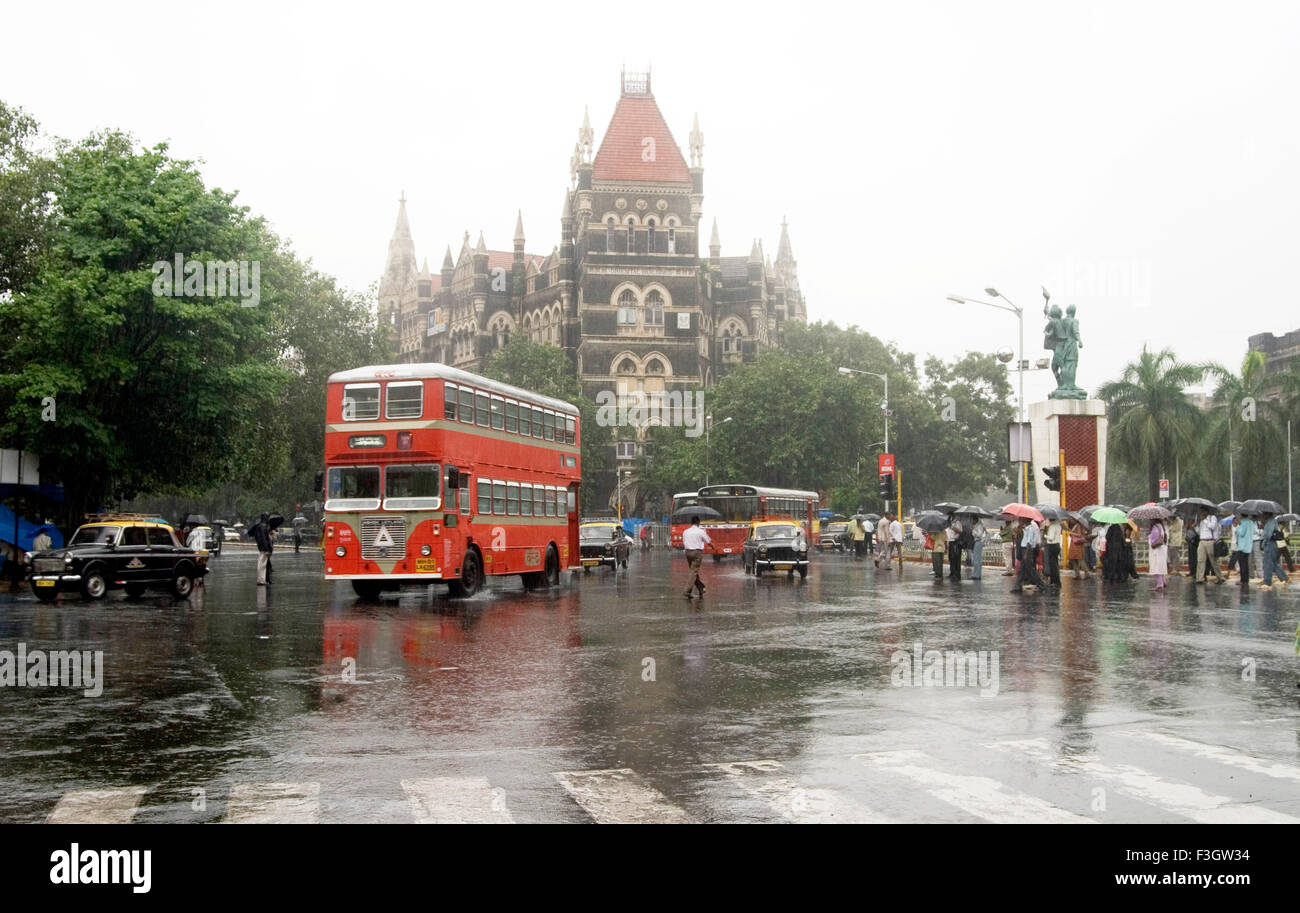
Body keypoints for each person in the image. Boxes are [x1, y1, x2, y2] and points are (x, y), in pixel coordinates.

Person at [1010, 518, 1049, 593]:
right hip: (1025, 549)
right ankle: (1017, 586)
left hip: (1027, 549)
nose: (1021, 521)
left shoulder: (1030, 529)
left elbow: (1029, 542)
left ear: (1027, 520)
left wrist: (1026, 553)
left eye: (1022, 520)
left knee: (1031, 570)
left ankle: (1042, 585)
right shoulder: (1026, 528)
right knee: (1022, 570)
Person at [681, 515, 711, 599]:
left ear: (691, 523)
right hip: (697, 553)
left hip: (687, 553)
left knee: (694, 571)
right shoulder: (700, 531)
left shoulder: (686, 531)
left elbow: (684, 542)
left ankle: (701, 588)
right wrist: (713, 546)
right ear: (698, 522)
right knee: (693, 572)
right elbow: (708, 541)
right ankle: (687, 590)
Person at [1259, 511, 1289, 590]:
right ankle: (1285, 578)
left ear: (1267, 514)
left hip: (1270, 544)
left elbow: (1268, 535)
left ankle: (1267, 582)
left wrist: (1263, 541)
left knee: (1268, 564)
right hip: (1271, 544)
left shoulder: (1271, 522)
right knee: (1274, 563)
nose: (1262, 515)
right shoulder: (1270, 521)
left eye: (1264, 514)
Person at [1195, 508, 1225, 584]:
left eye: (1203, 511)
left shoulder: (1212, 518)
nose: (1201, 513)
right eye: (1201, 511)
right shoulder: (1201, 521)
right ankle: (1200, 578)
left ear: (1206, 511)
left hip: (1210, 541)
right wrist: (1196, 526)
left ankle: (1220, 577)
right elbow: (1199, 532)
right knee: (1200, 560)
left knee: (1214, 561)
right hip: (1202, 541)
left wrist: (1205, 520)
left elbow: (1212, 527)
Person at [1232, 513, 1257, 588]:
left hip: (1242, 546)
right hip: (1248, 546)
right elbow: (1254, 532)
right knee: (1246, 564)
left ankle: (1243, 580)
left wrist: (1237, 528)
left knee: (1242, 564)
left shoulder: (1243, 522)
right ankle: (1246, 580)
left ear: (1241, 516)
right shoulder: (1251, 522)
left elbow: (1241, 533)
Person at [250, 512, 274, 586]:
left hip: (262, 548)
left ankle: (263, 580)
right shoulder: (263, 526)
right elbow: (264, 539)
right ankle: (261, 580)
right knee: (262, 565)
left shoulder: (260, 526)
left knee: (263, 564)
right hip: (264, 548)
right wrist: (267, 549)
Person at [1148, 518, 1168, 590]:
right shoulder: (1161, 527)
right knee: (1161, 567)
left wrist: (1150, 535)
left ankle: (1160, 585)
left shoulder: (1155, 528)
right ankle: (1163, 581)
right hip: (1162, 550)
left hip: (1156, 551)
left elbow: (1153, 540)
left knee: (1156, 567)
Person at [1043, 516, 1062, 587]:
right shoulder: (1058, 525)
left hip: (1052, 545)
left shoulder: (1052, 526)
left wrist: (1045, 535)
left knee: (1052, 565)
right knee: (1055, 564)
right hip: (1057, 545)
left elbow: (1051, 538)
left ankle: (1054, 581)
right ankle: (1056, 581)